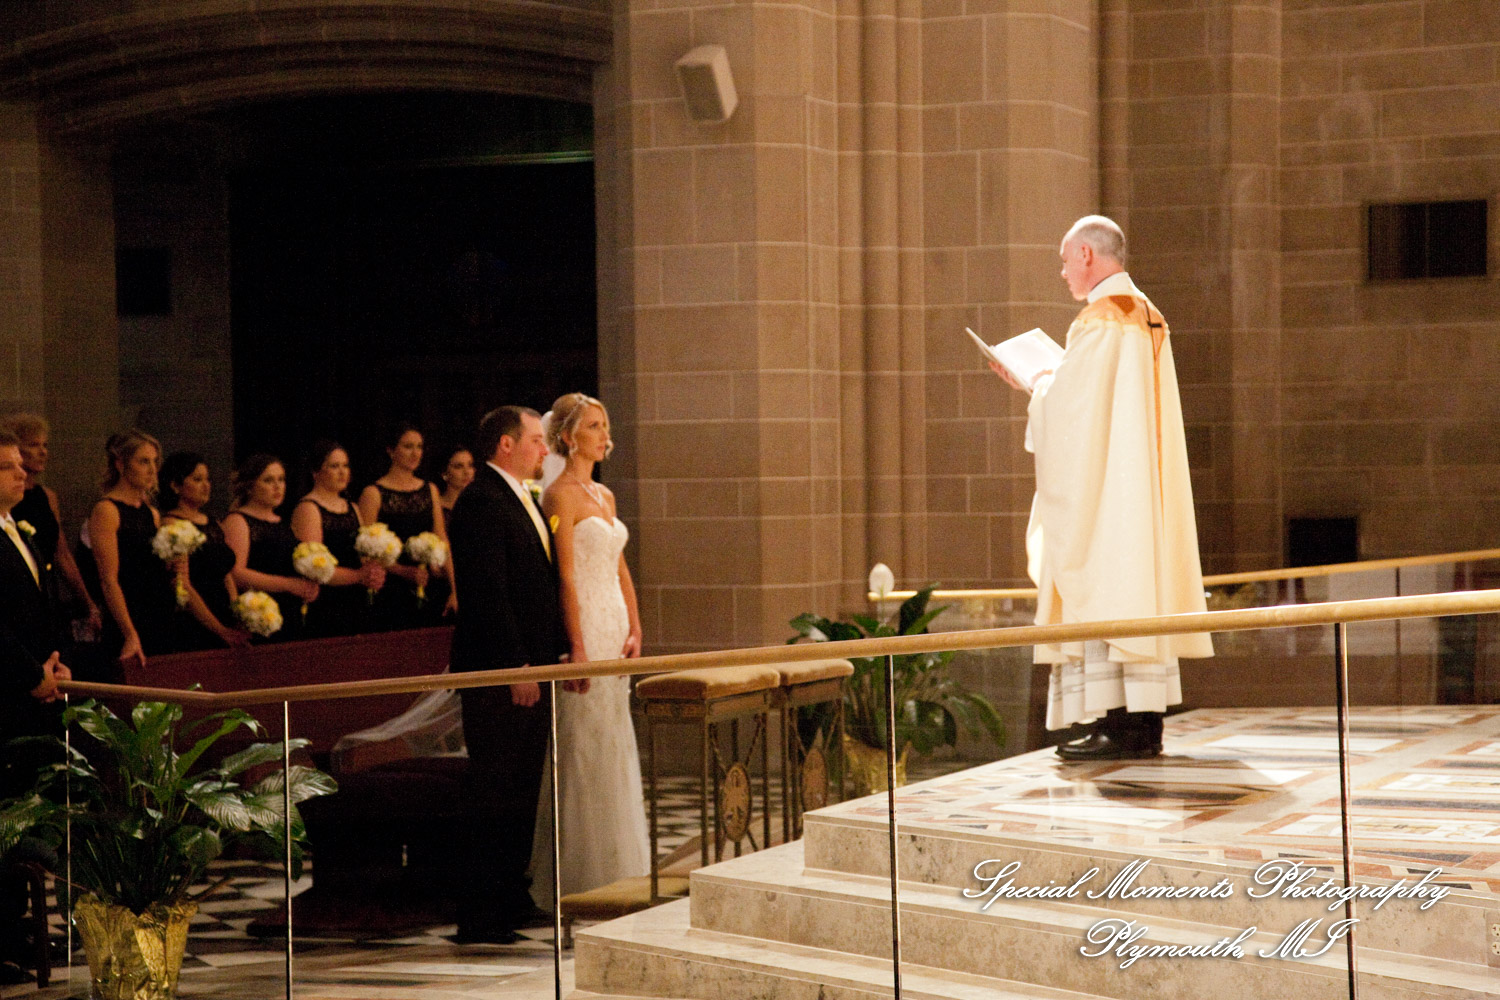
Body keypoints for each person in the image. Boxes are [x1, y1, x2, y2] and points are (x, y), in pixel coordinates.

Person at [991, 215, 1213, 760]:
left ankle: (1120, 728)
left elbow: (1071, 410)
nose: (1063, 270)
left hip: (1112, 496)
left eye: (1066, 259)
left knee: (1107, 587)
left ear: (1088, 255)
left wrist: (1035, 381)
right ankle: (1140, 726)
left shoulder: (1101, 320)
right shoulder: (1145, 314)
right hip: (1135, 488)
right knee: (1135, 594)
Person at [447, 406, 567, 944]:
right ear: (505, 443)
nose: (545, 450)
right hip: (500, 671)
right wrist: (515, 665)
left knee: (523, 788)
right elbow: (488, 592)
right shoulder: (480, 500)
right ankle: (480, 912)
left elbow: (537, 585)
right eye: (537, 440)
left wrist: (558, 652)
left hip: (531, 664)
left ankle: (510, 895)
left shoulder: (521, 496)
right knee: (495, 788)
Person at [528, 393, 648, 905]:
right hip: (587, 627)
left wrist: (636, 626)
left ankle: (623, 863)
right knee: (583, 739)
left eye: (606, 425)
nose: (605, 436)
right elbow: (567, 577)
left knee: (614, 734)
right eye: (595, 427)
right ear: (570, 436)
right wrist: (577, 645)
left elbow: (620, 566)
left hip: (615, 623)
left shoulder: (605, 494)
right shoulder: (559, 495)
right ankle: (579, 871)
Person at [0, 430, 71, 985]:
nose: (22, 474)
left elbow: (35, 613)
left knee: (27, 806)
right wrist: (30, 676)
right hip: (5, 695)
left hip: (32, 690)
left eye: (22, 465)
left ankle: (16, 928)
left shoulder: (18, 528)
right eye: (8, 467)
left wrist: (54, 663)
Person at [0, 414, 103, 639]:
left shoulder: (47, 496)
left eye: (45, 445)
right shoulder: (6, 502)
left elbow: (62, 554)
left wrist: (87, 602)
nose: (42, 452)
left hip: (47, 593)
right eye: (33, 445)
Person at [87, 431, 176, 666]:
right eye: (143, 461)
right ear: (120, 464)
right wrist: (129, 632)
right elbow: (109, 579)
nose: (152, 469)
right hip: (128, 612)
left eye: (154, 462)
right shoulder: (107, 510)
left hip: (159, 610)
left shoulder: (152, 513)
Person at [358, 424, 454, 624]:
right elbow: (364, 550)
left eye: (419, 447)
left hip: (427, 583)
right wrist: (404, 571)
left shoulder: (430, 490)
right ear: (391, 450)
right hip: (389, 588)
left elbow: (441, 537)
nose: (415, 453)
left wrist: (455, 588)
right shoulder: (374, 493)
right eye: (408, 446)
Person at [292, 441, 384, 637]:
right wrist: (359, 575)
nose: (342, 472)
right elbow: (315, 567)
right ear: (316, 472)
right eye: (334, 466)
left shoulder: (352, 507)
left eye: (345, 466)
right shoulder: (309, 508)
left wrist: (374, 572)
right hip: (327, 603)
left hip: (355, 598)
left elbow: (363, 554)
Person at [159, 452, 250, 652]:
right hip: (196, 621)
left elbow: (226, 573)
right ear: (176, 486)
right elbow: (182, 584)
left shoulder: (213, 522)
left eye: (207, 479)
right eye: (197, 479)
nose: (206, 485)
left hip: (223, 613)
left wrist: (237, 614)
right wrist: (219, 629)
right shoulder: (173, 524)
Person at [224, 455, 319, 640]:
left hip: (290, 614)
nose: (277, 486)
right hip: (259, 616)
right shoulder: (238, 520)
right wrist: (289, 585)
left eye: (281, 480)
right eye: (268, 480)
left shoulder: (282, 522)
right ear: (250, 486)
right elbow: (236, 573)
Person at [437, 446, 475, 515]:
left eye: (470, 465)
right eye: (458, 467)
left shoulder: (480, 505)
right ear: (444, 473)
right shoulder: (435, 507)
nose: (467, 472)